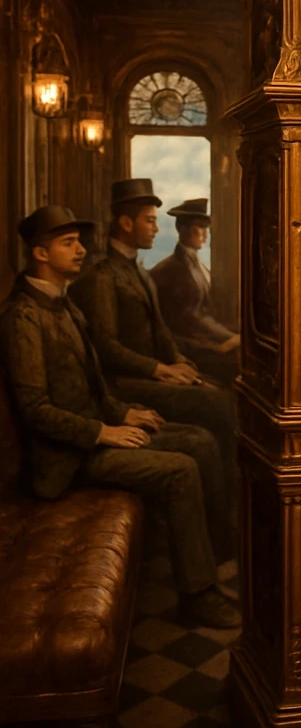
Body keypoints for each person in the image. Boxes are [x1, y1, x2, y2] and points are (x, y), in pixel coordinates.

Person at [0, 206, 238, 628]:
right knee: (180, 469)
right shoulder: (22, 317)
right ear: (39, 253)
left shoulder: (62, 304)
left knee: (199, 440)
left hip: (94, 432)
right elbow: (36, 411)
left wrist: (125, 412)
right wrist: (105, 431)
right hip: (65, 458)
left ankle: (219, 556)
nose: (80, 251)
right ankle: (197, 595)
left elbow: (94, 384)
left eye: (79, 242)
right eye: (68, 244)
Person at [69, 179, 238, 510]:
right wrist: (160, 369)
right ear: (126, 223)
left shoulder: (140, 272)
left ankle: (224, 504)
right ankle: (223, 516)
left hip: (148, 377)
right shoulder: (104, 277)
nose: (156, 229)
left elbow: (161, 331)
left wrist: (179, 361)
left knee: (217, 390)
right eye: (150, 220)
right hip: (123, 385)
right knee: (215, 403)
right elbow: (106, 347)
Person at [150, 198, 239, 386]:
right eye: (199, 227)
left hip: (208, 341)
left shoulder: (198, 266)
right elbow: (188, 320)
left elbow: (206, 314)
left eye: (206, 227)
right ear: (181, 229)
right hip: (190, 349)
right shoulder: (171, 269)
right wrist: (226, 339)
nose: (205, 234)